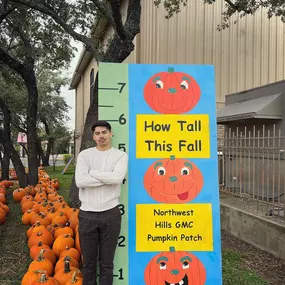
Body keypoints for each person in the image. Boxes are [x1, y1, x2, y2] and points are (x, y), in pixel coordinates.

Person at [75, 120, 128, 285]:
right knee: (89, 264)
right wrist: (107, 177)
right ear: (93, 136)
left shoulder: (120, 155)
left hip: (110, 214)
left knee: (107, 264)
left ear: (110, 134)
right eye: (97, 133)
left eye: (104, 132)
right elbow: (81, 181)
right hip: (87, 215)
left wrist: (93, 173)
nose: (101, 136)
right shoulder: (85, 155)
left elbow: (118, 178)